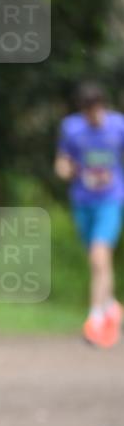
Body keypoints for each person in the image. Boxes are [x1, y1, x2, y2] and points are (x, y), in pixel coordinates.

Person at [55, 82, 124, 348]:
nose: (91, 117)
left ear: (102, 107)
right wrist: (65, 170)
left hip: (111, 200)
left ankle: (95, 319)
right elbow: (63, 160)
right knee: (96, 262)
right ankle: (112, 306)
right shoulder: (72, 128)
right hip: (83, 201)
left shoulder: (118, 126)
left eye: (95, 111)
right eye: (87, 113)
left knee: (99, 255)